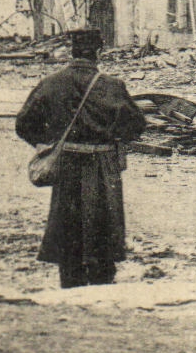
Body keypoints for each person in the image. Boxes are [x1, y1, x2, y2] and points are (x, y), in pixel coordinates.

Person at [15, 30, 147, 288]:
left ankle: (71, 281)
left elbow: (24, 123)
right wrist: (112, 137)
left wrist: (48, 143)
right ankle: (102, 280)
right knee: (103, 222)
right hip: (102, 166)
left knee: (68, 222)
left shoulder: (51, 83)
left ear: (72, 51)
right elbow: (137, 125)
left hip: (67, 165)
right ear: (98, 53)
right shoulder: (112, 86)